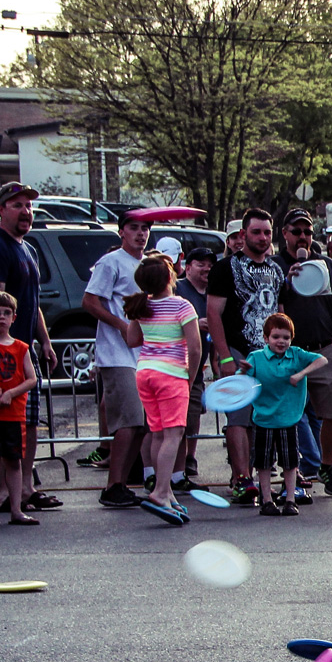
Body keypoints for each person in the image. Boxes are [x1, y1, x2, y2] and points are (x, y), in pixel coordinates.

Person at [0, 183, 59, 512]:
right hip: (4, 353)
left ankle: (25, 488)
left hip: (26, 349)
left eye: (28, 205)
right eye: (17, 205)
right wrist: (2, 346)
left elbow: (33, 301)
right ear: (1, 210)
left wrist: (45, 340)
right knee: (3, 421)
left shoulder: (27, 249)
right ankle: (0, 494)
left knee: (29, 423)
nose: (25, 211)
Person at [273, 207, 332, 496]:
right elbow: (269, 308)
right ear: (284, 234)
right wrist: (285, 280)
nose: (302, 237)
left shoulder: (326, 266)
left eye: (307, 232)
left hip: (322, 350)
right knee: (287, 416)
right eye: (296, 232)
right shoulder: (274, 267)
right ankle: (292, 475)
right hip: (287, 354)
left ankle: (326, 465)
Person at [207, 208, 287, 504]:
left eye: (267, 232)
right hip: (237, 350)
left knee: (262, 418)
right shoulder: (226, 268)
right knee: (239, 415)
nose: (263, 238)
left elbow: (280, 313)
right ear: (243, 235)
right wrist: (225, 356)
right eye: (256, 232)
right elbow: (213, 314)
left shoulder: (277, 270)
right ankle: (241, 477)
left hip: (266, 353)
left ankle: (254, 476)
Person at [124, 252, 200, 523]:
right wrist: (189, 379)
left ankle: (165, 491)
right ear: (171, 276)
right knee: (173, 435)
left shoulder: (142, 306)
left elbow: (133, 340)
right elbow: (195, 346)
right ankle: (160, 492)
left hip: (145, 371)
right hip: (171, 373)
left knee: (157, 434)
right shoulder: (182, 306)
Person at [83, 212, 152, 508]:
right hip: (117, 354)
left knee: (140, 424)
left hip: (143, 354)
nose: (140, 234)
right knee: (128, 420)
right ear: (122, 231)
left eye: (145, 228)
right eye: (134, 228)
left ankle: (122, 483)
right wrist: (121, 325)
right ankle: (113, 484)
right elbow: (89, 301)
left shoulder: (148, 265)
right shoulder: (111, 262)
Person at [239, 313, 328, 516]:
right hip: (264, 419)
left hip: (289, 419)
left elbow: (322, 360)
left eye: (286, 337)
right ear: (266, 338)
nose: (281, 342)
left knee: (290, 462)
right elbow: (242, 383)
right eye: (276, 337)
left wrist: (301, 373)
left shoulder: (296, 355)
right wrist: (243, 372)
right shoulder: (257, 358)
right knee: (263, 462)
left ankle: (290, 499)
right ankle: (267, 500)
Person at [0, 291, 39, 525]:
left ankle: (16, 509)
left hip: (13, 414)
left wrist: (11, 393)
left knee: (14, 461)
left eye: (7, 313)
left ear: (14, 317)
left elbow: (32, 379)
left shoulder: (21, 347)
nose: (2, 318)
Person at [173, 246, 215, 489]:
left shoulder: (212, 292)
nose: (207, 268)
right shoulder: (178, 289)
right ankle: (171, 472)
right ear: (188, 267)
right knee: (176, 420)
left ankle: (190, 457)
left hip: (199, 366)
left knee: (194, 413)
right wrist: (195, 323)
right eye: (201, 263)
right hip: (177, 364)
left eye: (210, 264)